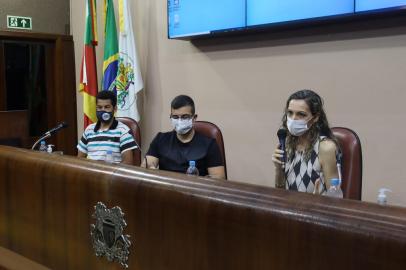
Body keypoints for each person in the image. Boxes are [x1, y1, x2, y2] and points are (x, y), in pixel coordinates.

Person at [272, 89, 339, 194]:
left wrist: (318, 200)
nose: (293, 119)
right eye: (290, 113)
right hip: (290, 208)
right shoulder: (287, 145)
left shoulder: (325, 148)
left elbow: (336, 198)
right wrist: (278, 169)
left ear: (315, 117)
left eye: (301, 114)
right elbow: (280, 194)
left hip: (316, 209)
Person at [142, 95, 225, 179]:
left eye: (185, 117)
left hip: (194, 189)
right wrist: (150, 170)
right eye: (175, 117)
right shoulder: (160, 139)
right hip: (167, 188)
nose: (179, 121)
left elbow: (219, 180)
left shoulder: (209, 144)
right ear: (170, 117)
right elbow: (146, 168)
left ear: (194, 118)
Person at [77, 90, 137, 165]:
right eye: (99, 107)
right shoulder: (89, 130)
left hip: (112, 175)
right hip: (91, 174)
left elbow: (128, 163)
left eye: (107, 107)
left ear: (115, 109)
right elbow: (80, 160)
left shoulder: (123, 131)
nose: (103, 110)